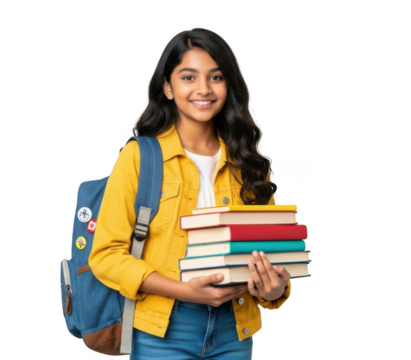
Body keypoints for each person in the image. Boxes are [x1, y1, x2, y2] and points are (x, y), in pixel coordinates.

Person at [89, 27, 293, 360]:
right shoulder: (139, 157)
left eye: (215, 77)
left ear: (229, 85)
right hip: (163, 329)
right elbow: (106, 256)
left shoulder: (250, 163)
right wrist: (183, 291)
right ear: (167, 87)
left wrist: (273, 288)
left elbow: (269, 256)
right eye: (188, 77)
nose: (203, 89)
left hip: (234, 329)